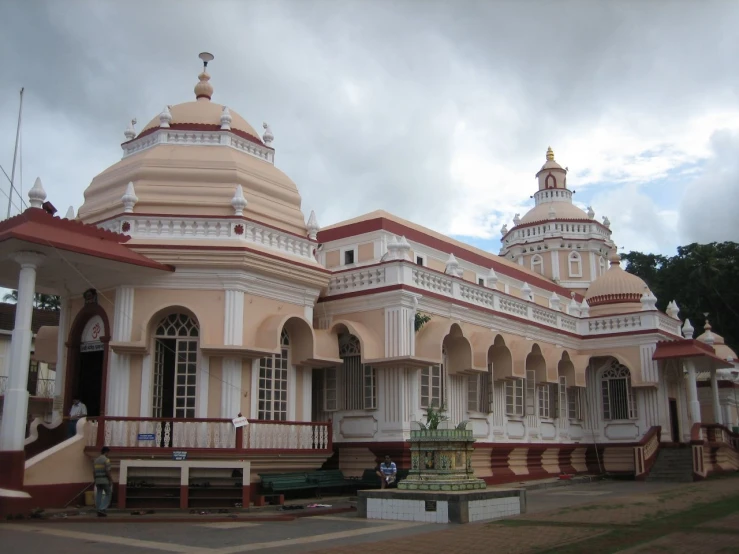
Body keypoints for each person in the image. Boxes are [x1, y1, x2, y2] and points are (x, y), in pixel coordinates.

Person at [93, 446, 113, 517]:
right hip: (104, 479)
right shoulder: (106, 460)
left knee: (99, 494)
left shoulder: (96, 460)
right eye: (108, 453)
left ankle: (98, 509)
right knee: (108, 493)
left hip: (97, 480)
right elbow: (107, 471)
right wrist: (110, 480)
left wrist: (95, 479)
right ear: (106, 452)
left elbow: (94, 472)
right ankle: (102, 508)